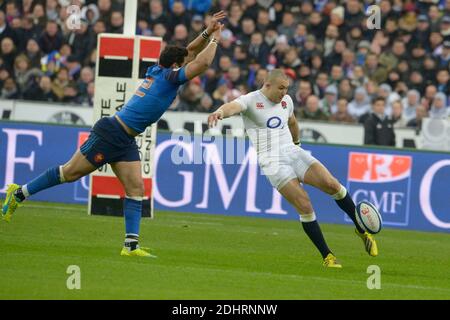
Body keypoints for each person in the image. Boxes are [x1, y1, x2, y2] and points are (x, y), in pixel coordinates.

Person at [1, 11, 227, 258]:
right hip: (111, 133)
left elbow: (189, 52)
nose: (188, 60)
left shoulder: (157, 70)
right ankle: (19, 193)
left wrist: (207, 31)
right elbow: (202, 62)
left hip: (125, 138)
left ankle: (130, 246)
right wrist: (215, 39)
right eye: (183, 61)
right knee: (69, 173)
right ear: (176, 65)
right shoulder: (171, 78)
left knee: (136, 188)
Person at [207, 69, 379, 268]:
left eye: (286, 88)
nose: (284, 92)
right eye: (280, 88)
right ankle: (328, 256)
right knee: (304, 205)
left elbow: (292, 122)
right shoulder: (251, 100)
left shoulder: (286, 101)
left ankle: (361, 228)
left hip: (292, 151)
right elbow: (232, 107)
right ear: (267, 85)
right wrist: (219, 112)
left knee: (333, 185)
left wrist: (297, 144)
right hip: (272, 162)